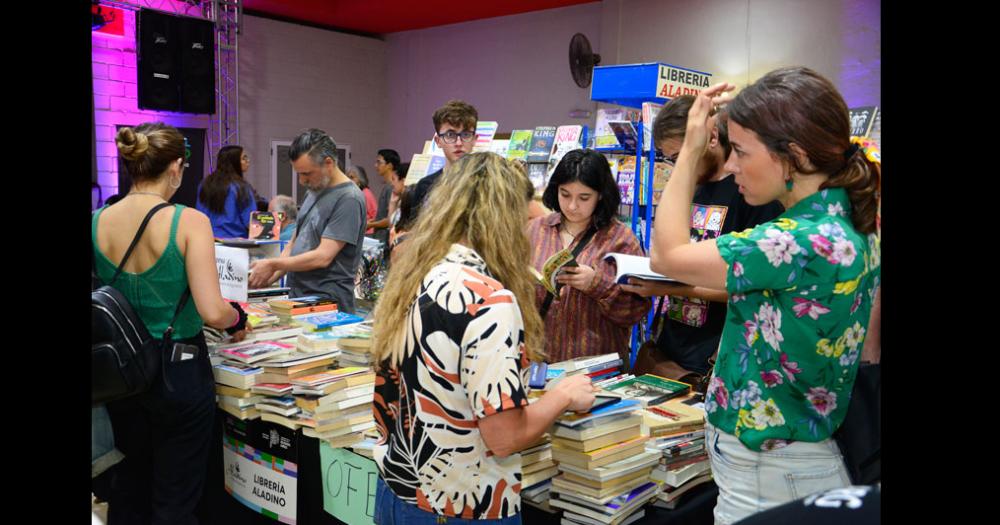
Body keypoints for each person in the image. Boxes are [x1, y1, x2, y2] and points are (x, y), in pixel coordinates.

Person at [648, 67, 881, 524]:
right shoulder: (850, 218)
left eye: (739, 151)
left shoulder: (795, 241)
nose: (731, 164)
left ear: (791, 156)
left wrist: (691, 152)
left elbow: (665, 254)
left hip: (770, 470)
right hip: (800, 454)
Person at [371, 152, 597, 523]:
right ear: (503, 220)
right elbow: (503, 436)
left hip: (399, 490)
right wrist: (563, 397)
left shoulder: (414, 274)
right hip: (460, 504)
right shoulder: (488, 300)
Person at [93, 122, 249, 525]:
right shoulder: (189, 221)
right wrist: (237, 318)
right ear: (177, 167)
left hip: (121, 374)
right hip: (178, 371)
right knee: (176, 499)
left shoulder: (97, 221)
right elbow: (214, 311)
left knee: (130, 487)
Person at [619, 95, 783, 379]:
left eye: (682, 156)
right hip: (671, 348)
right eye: (672, 160)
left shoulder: (751, 193)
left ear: (711, 138)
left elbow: (749, 287)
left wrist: (668, 288)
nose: (679, 167)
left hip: (714, 357)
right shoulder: (689, 189)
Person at [528, 149, 651, 363]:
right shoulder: (536, 230)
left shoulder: (621, 239)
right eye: (565, 194)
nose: (572, 206)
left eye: (584, 197)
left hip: (596, 370)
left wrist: (596, 284)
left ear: (601, 195)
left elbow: (635, 311)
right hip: (538, 363)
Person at [248, 129, 367, 313]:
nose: (302, 181)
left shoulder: (348, 198)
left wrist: (273, 264)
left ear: (328, 163)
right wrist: (271, 275)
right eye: (299, 174)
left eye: (307, 174)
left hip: (327, 302)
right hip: (300, 296)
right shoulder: (315, 188)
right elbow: (295, 242)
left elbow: (323, 257)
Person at [409, 99, 478, 220]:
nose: (458, 143)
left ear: (474, 139)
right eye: (450, 135)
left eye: (466, 134)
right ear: (438, 141)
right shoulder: (425, 186)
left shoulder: (487, 184)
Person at [196, 145, 257, 238]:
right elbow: (250, 221)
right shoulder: (242, 187)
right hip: (235, 244)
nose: (248, 161)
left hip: (209, 241)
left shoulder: (204, 184)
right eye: (244, 158)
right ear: (234, 161)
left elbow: (199, 215)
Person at [368, 149, 401, 245]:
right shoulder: (387, 187)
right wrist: (373, 221)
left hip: (385, 240)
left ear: (389, 166)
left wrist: (371, 224)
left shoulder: (392, 188)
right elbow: (384, 216)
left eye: (379, 162)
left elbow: (391, 219)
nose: (375, 165)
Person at [348, 165, 379, 234]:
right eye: (347, 177)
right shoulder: (352, 194)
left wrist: (367, 224)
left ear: (360, 179)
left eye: (352, 177)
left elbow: (376, 216)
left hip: (367, 234)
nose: (349, 180)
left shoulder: (366, 193)